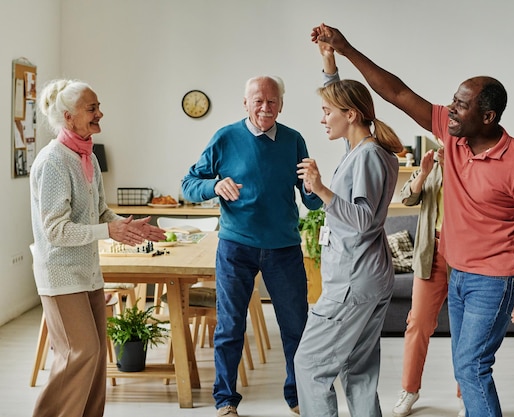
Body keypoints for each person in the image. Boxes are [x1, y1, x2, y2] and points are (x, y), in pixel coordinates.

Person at [311, 24, 514, 417]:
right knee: (466, 365)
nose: (450, 109)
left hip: (495, 279)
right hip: (458, 271)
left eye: (461, 105)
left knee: (472, 369)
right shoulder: (453, 135)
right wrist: (344, 48)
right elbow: (398, 93)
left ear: (488, 117)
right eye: (452, 102)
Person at [181, 75, 323, 417]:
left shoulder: (293, 140)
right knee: (230, 326)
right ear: (245, 103)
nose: (265, 107)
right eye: (258, 101)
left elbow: (312, 202)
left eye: (272, 101)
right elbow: (188, 184)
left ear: (281, 105)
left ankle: (298, 394)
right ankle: (225, 400)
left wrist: (314, 185)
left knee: (296, 326)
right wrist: (214, 187)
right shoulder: (225, 138)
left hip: (284, 248)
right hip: (236, 247)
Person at [30, 79, 165, 417]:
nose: (99, 113)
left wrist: (127, 226)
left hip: (88, 272)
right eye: (91, 108)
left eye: (97, 106)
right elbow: (55, 231)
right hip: (62, 275)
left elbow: (100, 211)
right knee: (81, 352)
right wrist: (108, 229)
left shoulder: (85, 155)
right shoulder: (55, 161)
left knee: (96, 358)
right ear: (68, 116)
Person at [293, 43, 404, 417]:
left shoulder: (370, 155)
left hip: (353, 283)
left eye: (327, 113)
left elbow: (361, 221)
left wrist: (320, 189)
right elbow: (343, 99)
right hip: (366, 279)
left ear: (351, 115)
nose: (323, 119)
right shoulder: (361, 150)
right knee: (359, 370)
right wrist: (329, 63)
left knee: (309, 366)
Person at [394, 146, 466, 417]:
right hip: (431, 252)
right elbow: (407, 198)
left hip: (466, 255)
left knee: (465, 329)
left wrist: (454, 167)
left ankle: (465, 393)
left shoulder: (474, 161)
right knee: (418, 323)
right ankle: (410, 389)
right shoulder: (432, 162)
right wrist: (423, 174)